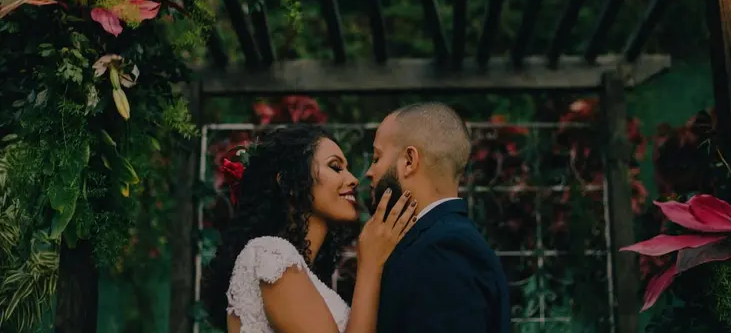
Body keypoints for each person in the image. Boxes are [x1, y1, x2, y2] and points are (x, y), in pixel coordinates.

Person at [203, 125, 418, 333]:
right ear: (288, 181)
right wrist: (370, 266)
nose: (353, 179)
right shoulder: (270, 254)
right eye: (335, 167)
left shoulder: (298, 270)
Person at [365, 102, 511, 333]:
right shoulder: (438, 240)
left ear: (409, 161)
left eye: (376, 158)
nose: (369, 172)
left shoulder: (442, 249)